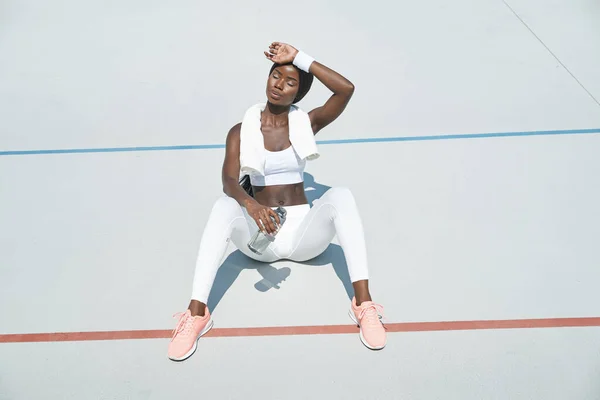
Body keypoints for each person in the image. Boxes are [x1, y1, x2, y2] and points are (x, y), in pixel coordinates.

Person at [168, 42, 386, 361]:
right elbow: (230, 181)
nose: (279, 85)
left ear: (298, 93)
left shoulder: (306, 124)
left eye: (290, 81)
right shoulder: (240, 131)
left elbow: (346, 89)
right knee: (222, 206)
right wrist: (252, 206)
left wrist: (299, 58)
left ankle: (363, 305)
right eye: (275, 76)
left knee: (342, 196)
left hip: (303, 236)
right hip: (261, 238)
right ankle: (196, 313)